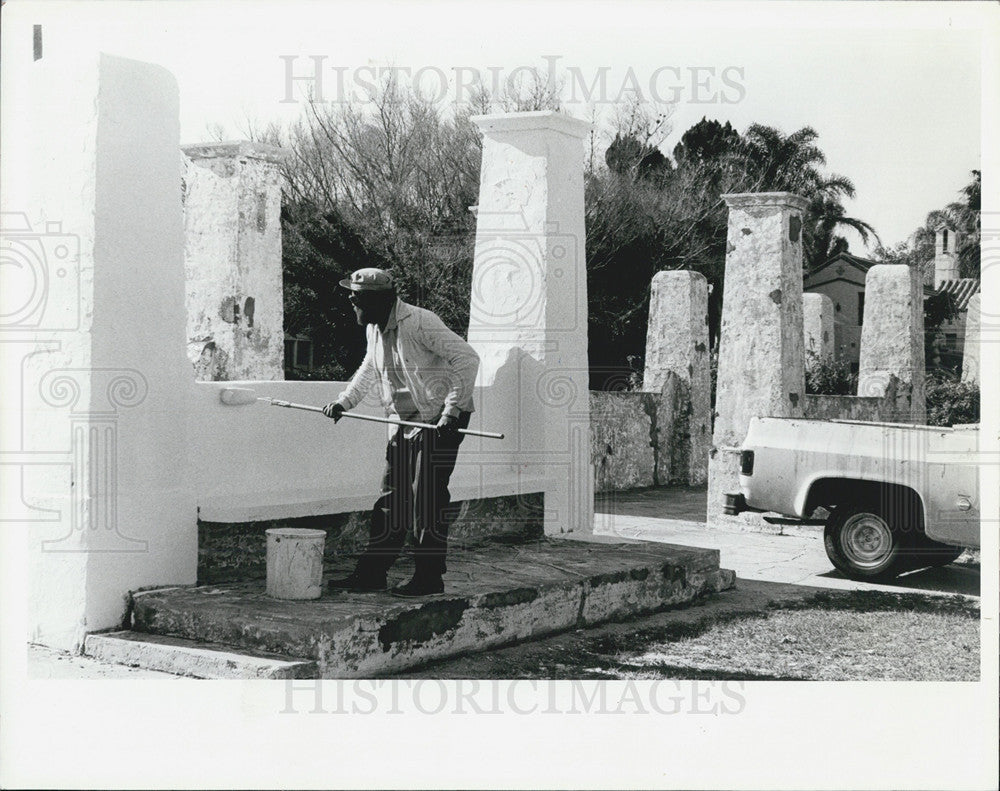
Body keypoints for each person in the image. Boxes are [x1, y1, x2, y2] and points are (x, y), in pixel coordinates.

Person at [323, 267, 480, 597]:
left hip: (438, 420)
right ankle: (372, 574)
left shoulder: (421, 322)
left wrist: (451, 410)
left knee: (427, 499)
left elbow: (467, 358)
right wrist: (344, 402)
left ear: (378, 300)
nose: (350, 301)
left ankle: (428, 578)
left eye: (356, 296)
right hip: (404, 422)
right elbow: (370, 366)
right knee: (391, 499)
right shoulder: (376, 328)